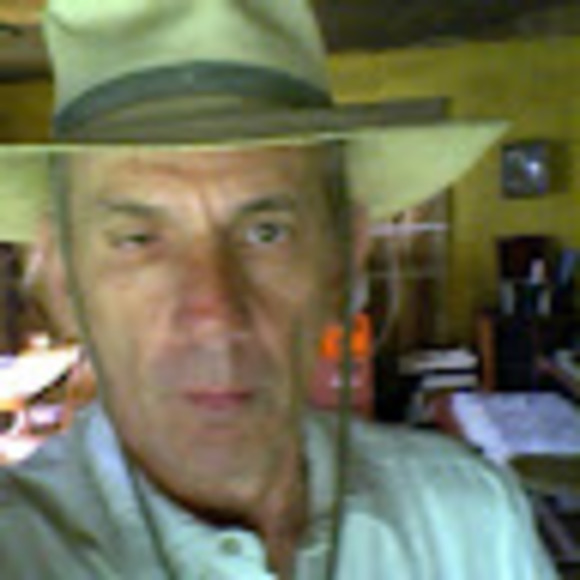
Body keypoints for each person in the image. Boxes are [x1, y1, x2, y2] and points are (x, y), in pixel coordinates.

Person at [0, 0, 557, 578]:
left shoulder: (468, 526)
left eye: (266, 233)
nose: (215, 315)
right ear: (61, 278)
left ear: (341, 259)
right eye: (138, 239)